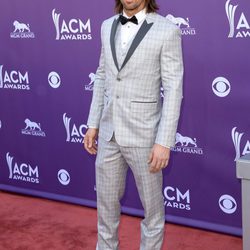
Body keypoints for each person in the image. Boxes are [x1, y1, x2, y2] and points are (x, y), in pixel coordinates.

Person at [84, 0, 183, 249]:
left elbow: (173, 89)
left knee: (152, 212)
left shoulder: (167, 30)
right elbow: (102, 75)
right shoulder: (106, 26)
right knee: (106, 208)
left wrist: (164, 141)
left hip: (145, 136)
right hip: (109, 133)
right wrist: (93, 123)